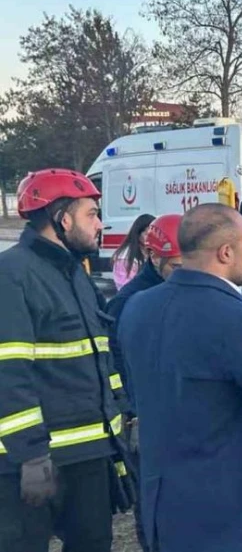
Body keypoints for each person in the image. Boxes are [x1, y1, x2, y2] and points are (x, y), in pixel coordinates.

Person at [117, 203, 242, 552]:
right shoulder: (235, 318)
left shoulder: (136, 308)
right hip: (230, 517)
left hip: (166, 508)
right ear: (225, 252)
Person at [0, 168, 131, 552]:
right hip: (31, 463)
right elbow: (8, 372)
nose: (101, 223)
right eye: (92, 213)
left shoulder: (74, 272)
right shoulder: (12, 275)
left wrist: (119, 429)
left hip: (89, 454)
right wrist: (31, 456)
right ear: (63, 217)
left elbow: (100, 358)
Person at [104, 213, 182, 552]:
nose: (185, 274)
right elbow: (115, 359)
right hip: (145, 415)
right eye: (178, 266)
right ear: (153, 256)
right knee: (153, 501)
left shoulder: (185, 288)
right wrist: (130, 408)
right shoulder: (130, 301)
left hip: (181, 410)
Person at [112, 213, 156, 289]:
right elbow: (124, 287)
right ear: (138, 234)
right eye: (147, 234)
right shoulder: (124, 258)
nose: (151, 238)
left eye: (154, 234)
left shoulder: (154, 252)